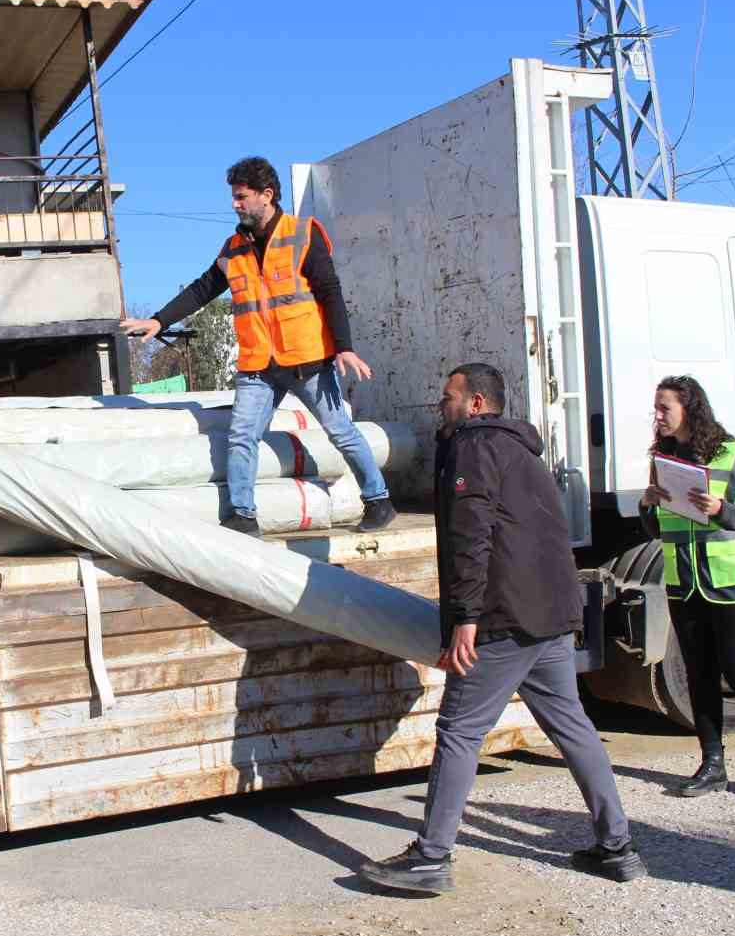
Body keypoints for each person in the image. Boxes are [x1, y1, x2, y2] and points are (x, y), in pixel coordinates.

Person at [359, 363, 646, 893]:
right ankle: (617, 847)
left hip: (503, 618)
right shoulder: (522, 450)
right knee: (573, 727)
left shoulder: (473, 448)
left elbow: (470, 537)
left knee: (459, 731)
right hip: (551, 615)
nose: (440, 405)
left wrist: (466, 618)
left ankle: (431, 857)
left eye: (448, 396)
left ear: (475, 403)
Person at [120, 156, 396, 535]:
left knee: (340, 431)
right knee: (242, 436)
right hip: (258, 365)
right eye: (233, 197)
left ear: (266, 195)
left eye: (241, 197)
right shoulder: (234, 247)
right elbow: (203, 288)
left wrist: (344, 347)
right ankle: (243, 515)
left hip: (308, 359)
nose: (234, 204)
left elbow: (330, 292)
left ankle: (379, 500)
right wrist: (159, 320)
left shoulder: (303, 234)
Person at [642, 375, 735, 803]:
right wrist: (647, 505)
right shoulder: (662, 458)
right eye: (657, 408)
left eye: (665, 407)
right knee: (699, 673)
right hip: (685, 582)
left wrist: (722, 510)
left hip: (734, 581)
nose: (658, 416)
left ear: (689, 408)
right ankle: (712, 764)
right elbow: (657, 529)